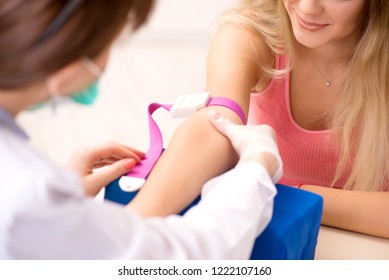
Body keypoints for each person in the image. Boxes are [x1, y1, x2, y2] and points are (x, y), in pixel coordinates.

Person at [0, 0, 283, 259]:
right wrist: (256, 171)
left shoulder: (32, 193)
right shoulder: (31, 196)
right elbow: (180, 255)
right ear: (69, 71)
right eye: (111, 44)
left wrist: (66, 208)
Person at [128, 0, 389, 238]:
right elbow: (217, 125)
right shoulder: (253, 33)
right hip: (284, 229)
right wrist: (131, 228)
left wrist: (283, 192)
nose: (308, 8)